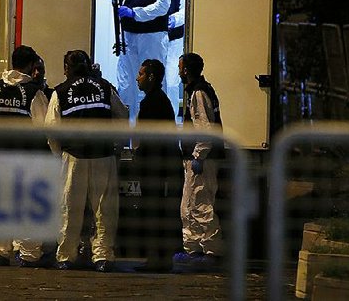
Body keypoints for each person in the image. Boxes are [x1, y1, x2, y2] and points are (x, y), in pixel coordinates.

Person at [45, 50, 129, 272]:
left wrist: (58, 155)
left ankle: (66, 256)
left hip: (73, 157)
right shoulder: (104, 87)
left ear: (66, 68)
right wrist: (117, 146)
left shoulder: (60, 92)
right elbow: (122, 117)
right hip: (103, 155)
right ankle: (103, 256)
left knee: (69, 208)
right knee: (105, 208)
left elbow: (51, 129)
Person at [0, 45, 51, 268]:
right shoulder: (34, 92)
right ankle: (29, 253)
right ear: (33, 66)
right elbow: (45, 128)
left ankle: (0, 251)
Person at [104, 0, 175, 120]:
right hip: (128, 35)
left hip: (152, 35)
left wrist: (135, 13)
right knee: (127, 84)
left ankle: (155, 130)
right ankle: (128, 136)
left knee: (152, 84)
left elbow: (162, 6)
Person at [175, 52, 224, 270]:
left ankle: (211, 251)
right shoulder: (201, 91)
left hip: (201, 159)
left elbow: (204, 129)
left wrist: (198, 155)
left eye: (180, 66)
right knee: (190, 205)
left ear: (186, 70)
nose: (178, 70)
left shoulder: (198, 93)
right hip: (198, 156)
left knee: (201, 204)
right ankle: (193, 249)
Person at [133, 58, 182, 272]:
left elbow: (148, 137)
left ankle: (156, 259)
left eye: (141, 74)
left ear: (151, 77)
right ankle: (160, 258)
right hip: (162, 166)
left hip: (155, 167)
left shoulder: (152, 102)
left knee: (153, 213)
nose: (137, 78)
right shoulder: (161, 100)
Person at [165, 0, 186, 117]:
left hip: (175, 39)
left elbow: (186, 8)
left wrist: (174, 20)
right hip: (153, 36)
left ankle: (171, 118)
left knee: (172, 82)